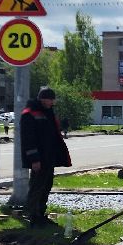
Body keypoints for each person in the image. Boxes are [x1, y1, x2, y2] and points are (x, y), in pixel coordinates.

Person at [20, 87, 72, 226]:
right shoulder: (29, 114)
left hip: (49, 158)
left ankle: (41, 214)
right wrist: (34, 160)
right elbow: (28, 140)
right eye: (51, 100)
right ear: (43, 99)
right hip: (39, 159)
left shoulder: (47, 112)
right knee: (37, 187)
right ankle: (33, 216)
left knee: (46, 186)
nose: (52, 103)